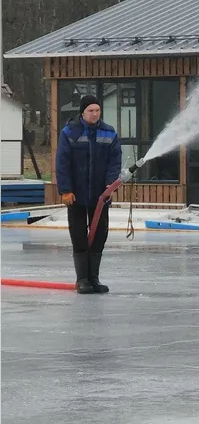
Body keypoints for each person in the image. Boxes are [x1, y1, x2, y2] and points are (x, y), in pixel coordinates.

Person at [56, 95, 122, 294]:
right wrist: (66, 190)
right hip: (76, 195)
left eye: (97, 110)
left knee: (100, 235)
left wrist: (111, 184)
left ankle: (94, 278)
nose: (95, 114)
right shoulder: (69, 132)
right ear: (82, 112)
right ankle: (82, 279)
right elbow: (62, 162)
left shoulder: (109, 133)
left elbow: (114, 160)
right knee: (79, 236)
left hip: (101, 196)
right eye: (91, 110)